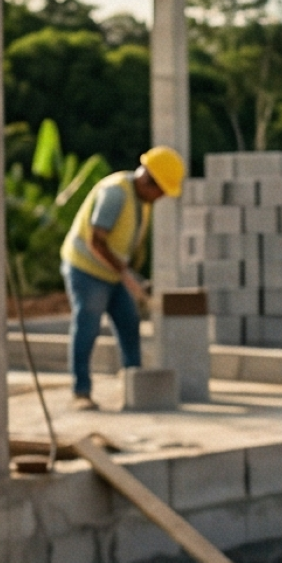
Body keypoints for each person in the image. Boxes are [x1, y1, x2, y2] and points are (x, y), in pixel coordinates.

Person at [59, 146, 183, 410]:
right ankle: (81, 392)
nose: (161, 197)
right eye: (160, 191)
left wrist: (135, 277)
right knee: (88, 323)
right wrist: (127, 277)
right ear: (149, 180)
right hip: (86, 268)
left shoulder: (141, 199)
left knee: (129, 324)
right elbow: (97, 241)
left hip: (112, 272)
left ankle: (134, 388)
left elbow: (127, 244)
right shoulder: (115, 193)